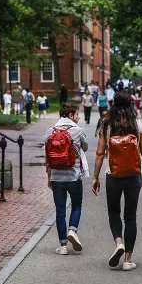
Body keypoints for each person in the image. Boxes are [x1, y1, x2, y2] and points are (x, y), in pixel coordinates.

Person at [92, 91, 142, 271]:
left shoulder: (107, 124)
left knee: (113, 212)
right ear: (130, 105)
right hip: (134, 175)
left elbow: (99, 154)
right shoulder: (137, 124)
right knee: (131, 216)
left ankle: (118, 242)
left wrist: (95, 177)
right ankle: (128, 259)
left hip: (113, 174)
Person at [44, 103, 89, 255]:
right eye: (77, 114)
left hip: (56, 177)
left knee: (60, 211)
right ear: (70, 115)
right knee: (76, 205)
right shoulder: (78, 131)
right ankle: (72, 230)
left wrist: (49, 177)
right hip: (74, 175)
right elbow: (85, 147)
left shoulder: (50, 131)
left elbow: (47, 156)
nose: (79, 117)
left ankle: (63, 246)